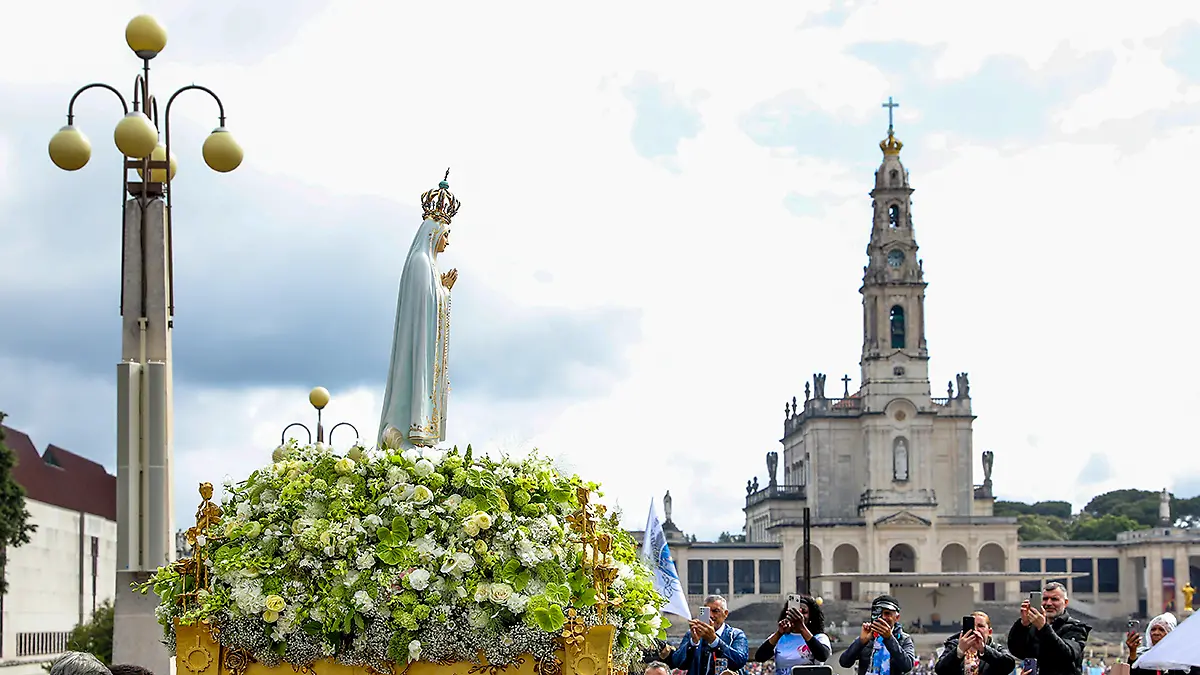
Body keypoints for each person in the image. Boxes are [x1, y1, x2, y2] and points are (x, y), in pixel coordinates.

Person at [378, 174, 460, 449]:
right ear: (433, 233)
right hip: (416, 348)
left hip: (422, 344)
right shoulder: (422, 263)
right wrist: (445, 292)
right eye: (446, 235)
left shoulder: (427, 264)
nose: (447, 242)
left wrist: (443, 291)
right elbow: (425, 307)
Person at [1007, 583, 1090, 675]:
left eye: (1054, 599)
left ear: (1065, 603)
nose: (1049, 603)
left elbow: (1066, 655)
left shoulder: (1076, 628)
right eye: (1045, 599)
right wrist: (1023, 625)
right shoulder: (1033, 627)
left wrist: (1043, 628)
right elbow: (1017, 650)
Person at [668, 595, 750, 675]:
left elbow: (739, 661)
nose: (711, 615)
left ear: (725, 613)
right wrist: (693, 643)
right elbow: (678, 662)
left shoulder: (735, 635)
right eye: (706, 612)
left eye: (715, 611)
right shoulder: (692, 634)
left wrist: (714, 641)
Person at [839, 594, 917, 675]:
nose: (883, 618)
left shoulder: (904, 639)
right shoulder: (867, 637)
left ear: (896, 618)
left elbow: (907, 666)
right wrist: (861, 642)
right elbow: (844, 662)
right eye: (878, 613)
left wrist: (889, 639)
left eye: (887, 613)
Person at [754, 595, 832, 669]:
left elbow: (823, 656)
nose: (799, 615)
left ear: (811, 616)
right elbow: (760, 657)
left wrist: (802, 628)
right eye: (794, 612)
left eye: (803, 612)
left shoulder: (819, 637)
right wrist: (779, 633)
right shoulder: (780, 638)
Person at [935, 611, 1016, 675]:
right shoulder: (954, 646)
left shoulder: (995, 648)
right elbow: (940, 670)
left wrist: (984, 650)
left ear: (989, 632)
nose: (975, 630)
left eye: (980, 626)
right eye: (972, 626)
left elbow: (1009, 665)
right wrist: (959, 651)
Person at [1125, 612, 1199, 675]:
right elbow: (1134, 672)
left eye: (1161, 630)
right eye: (1153, 629)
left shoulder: (1181, 658)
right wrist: (1133, 651)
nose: (1156, 633)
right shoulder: (1143, 657)